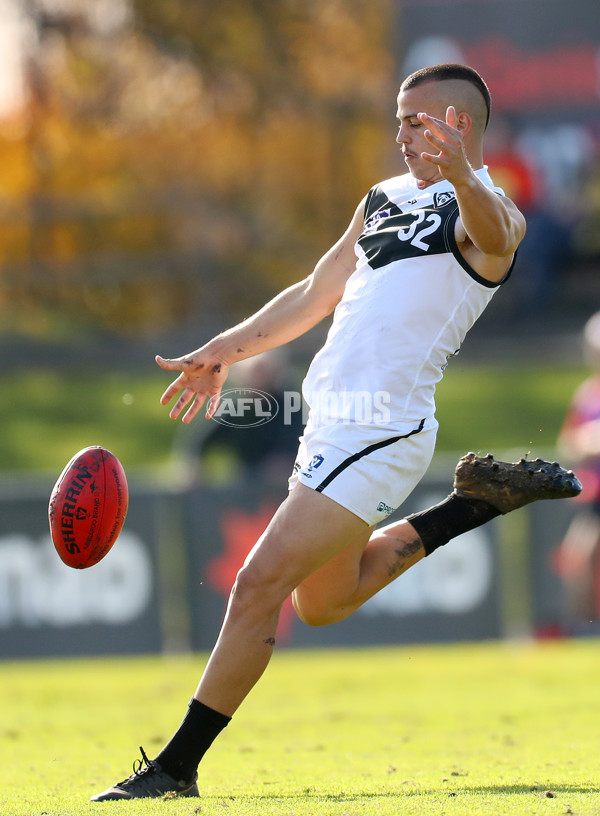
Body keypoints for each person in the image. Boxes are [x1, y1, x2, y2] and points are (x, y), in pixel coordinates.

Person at [92, 63, 581, 801]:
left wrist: (464, 175)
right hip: (329, 425)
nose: (401, 131)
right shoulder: (381, 198)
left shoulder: (491, 210)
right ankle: (473, 505)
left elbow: (498, 237)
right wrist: (224, 349)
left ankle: (175, 767)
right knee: (322, 602)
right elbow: (316, 292)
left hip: (381, 428)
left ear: (458, 125)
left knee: (257, 583)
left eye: (417, 119)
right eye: (399, 118)